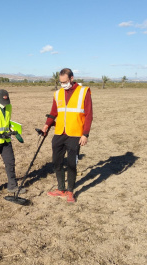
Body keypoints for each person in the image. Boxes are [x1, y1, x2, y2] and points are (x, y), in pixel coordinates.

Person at [42, 68, 93, 203]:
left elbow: (89, 115)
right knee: (57, 162)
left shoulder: (84, 92)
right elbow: (54, 112)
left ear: (71, 78)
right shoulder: (58, 93)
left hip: (75, 134)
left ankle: (70, 191)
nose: (63, 85)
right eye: (61, 82)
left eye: (65, 82)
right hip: (59, 132)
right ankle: (61, 189)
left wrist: (85, 134)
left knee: (71, 164)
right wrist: (47, 125)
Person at [0, 89, 27, 195]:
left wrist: (13, 130)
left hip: (6, 140)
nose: (5, 105)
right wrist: (0, 135)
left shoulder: (9, 106)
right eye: (3, 103)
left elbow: (7, 122)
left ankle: (12, 186)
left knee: (10, 162)